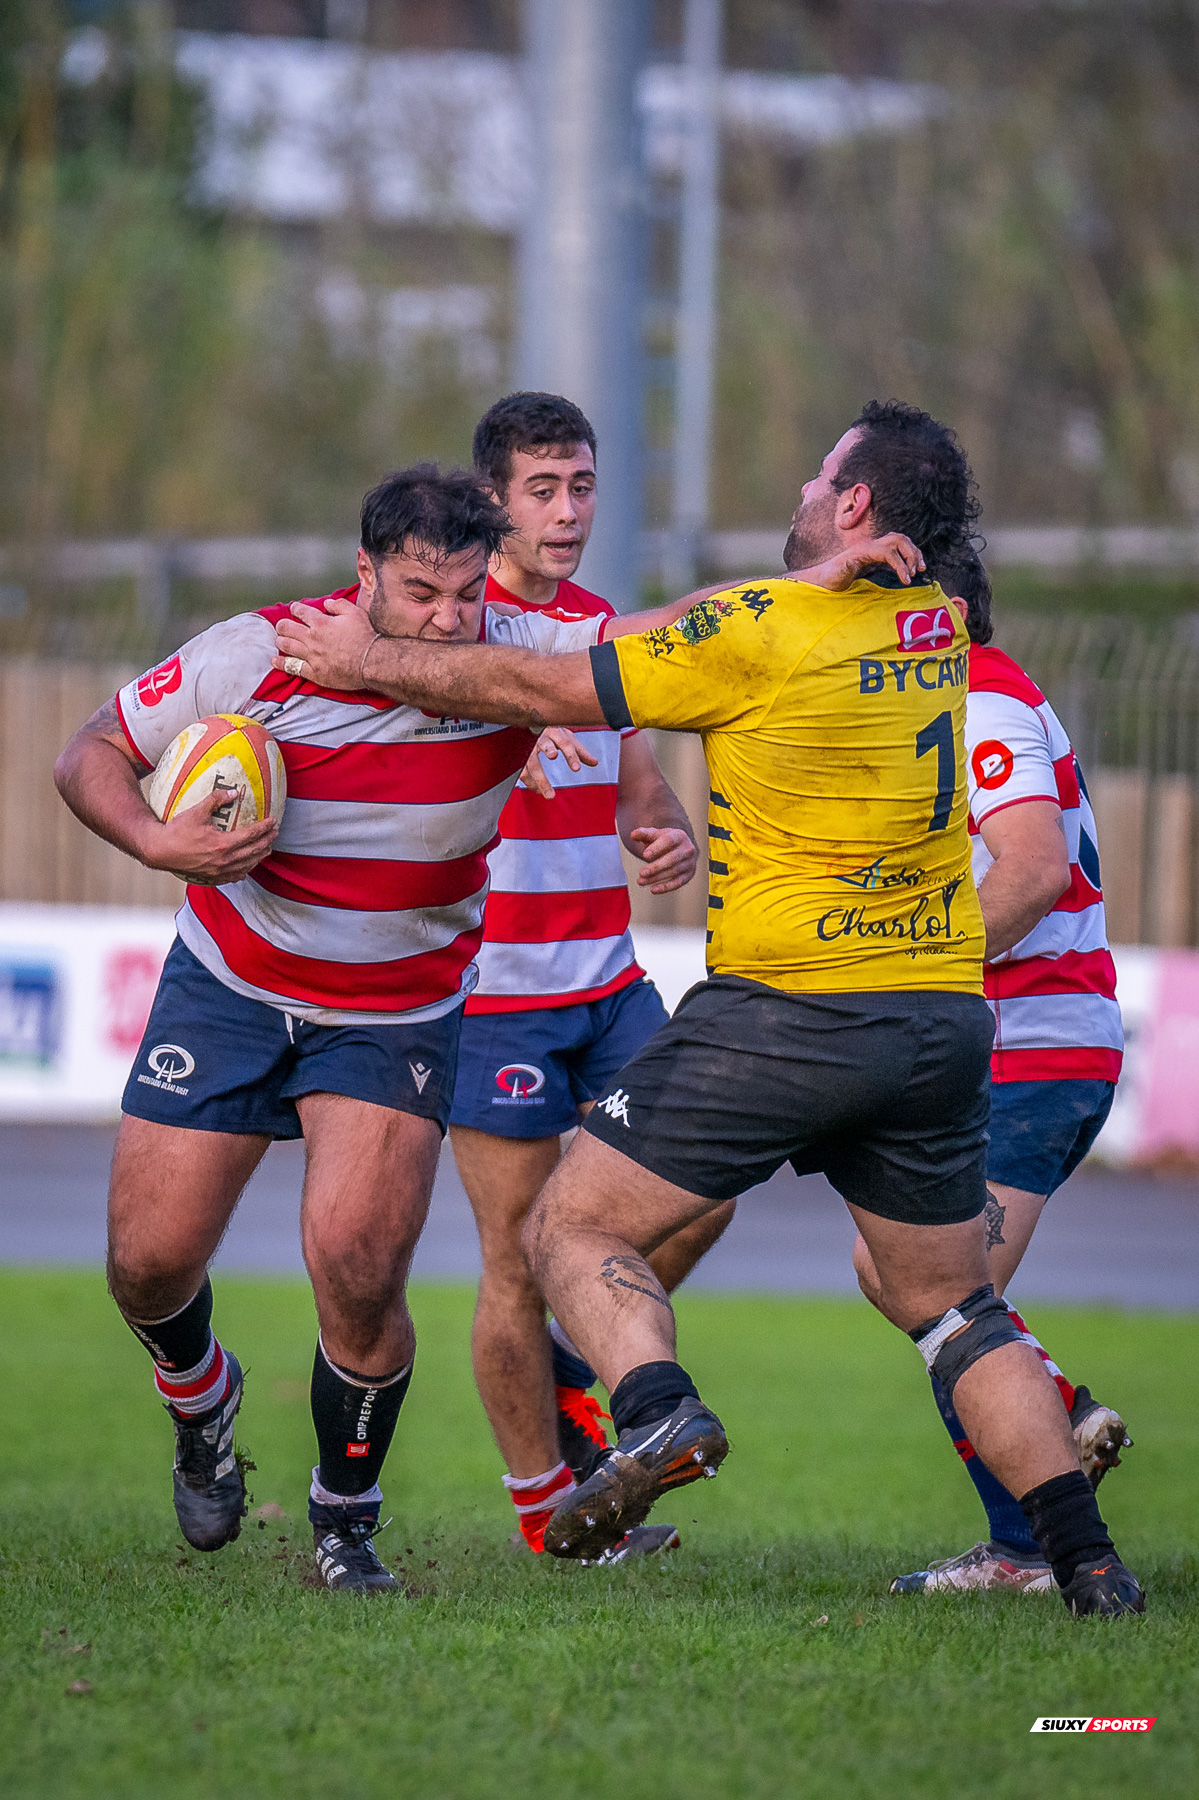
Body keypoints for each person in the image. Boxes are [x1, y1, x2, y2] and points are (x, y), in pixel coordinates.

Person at [273, 400, 1144, 1618]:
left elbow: (546, 680)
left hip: (788, 1010)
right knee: (950, 1308)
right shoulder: (938, 631)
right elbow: (750, 625)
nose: (799, 490)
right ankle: (1085, 1563)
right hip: (937, 1021)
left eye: (818, 478)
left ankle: (651, 1409)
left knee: (568, 1227)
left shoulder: (755, 632)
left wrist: (371, 661)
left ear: (852, 505)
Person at [53, 465, 617, 1595]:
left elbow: (672, 645)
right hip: (230, 982)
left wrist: (814, 587)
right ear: (363, 573)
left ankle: (343, 1522)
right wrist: (158, 844)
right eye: (419, 593)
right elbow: (89, 756)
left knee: (358, 1269)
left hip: (393, 1007)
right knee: (146, 1263)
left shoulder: (518, 658)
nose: (447, 620)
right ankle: (201, 1400)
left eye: (466, 594)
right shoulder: (254, 652)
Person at [450, 392, 734, 1560]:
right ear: (491, 502)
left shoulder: (602, 629)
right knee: (513, 1262)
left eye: (581, 487)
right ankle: (545, 1515)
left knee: (702, 1192)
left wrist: (663, 836)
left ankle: (577, 1359)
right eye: (541, 490)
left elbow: (640, 793)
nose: (567, 512)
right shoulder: (448, 633)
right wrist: (506, 726)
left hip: (607, 984)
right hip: (495, 997)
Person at [852, 544, 1131, 1595]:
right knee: (898, 1273)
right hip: (1022, 1041)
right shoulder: (950, 702)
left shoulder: (977, 696)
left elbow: (1031, 870)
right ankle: (1052, 1422)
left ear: (951, 612)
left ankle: (1023, 1546)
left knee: (944, 1292)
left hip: (1033, 1042)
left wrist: (914, 958)